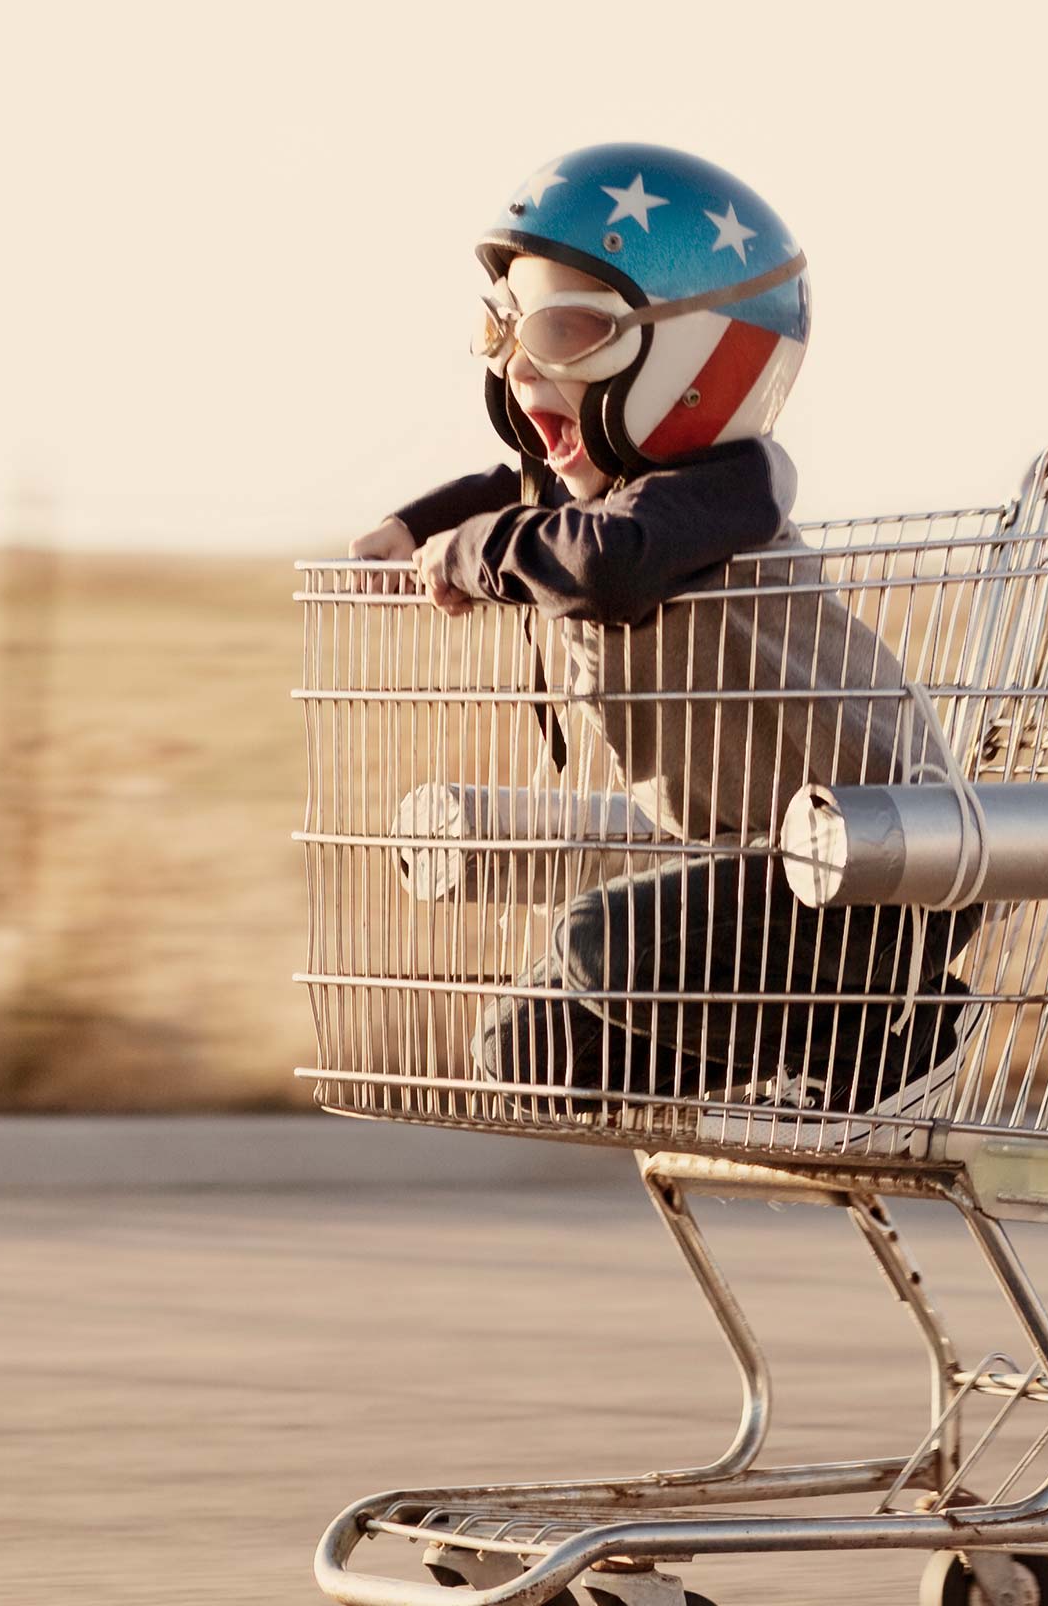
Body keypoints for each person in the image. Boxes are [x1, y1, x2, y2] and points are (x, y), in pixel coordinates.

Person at [353, 143, 976, 1139]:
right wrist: (415, 525)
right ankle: (828, 1049)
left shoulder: (732, 488)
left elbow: (609, 561)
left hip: (874, 857)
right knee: (528, 1055)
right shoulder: (617, 493)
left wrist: (470, 554)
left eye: (566, 332)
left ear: (699, 357)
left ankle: (902, 1032)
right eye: (504, 332)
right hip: (757, 873)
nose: (519, 369)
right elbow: (532, 490)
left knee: (603, 939)